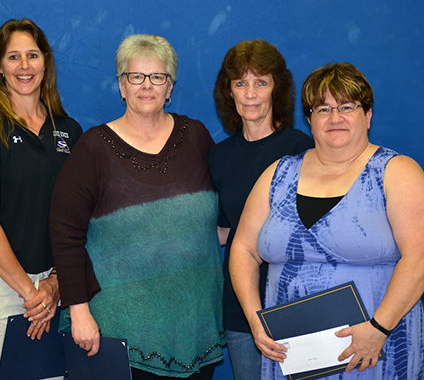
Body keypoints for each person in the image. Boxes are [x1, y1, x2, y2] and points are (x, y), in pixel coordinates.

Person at [230, 62, 424, 379]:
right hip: (291, 356)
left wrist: (378, 327)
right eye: (323, 109)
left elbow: (419, 257)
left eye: (346, 106)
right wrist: (256, 321)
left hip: (374, 352)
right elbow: (243, 250)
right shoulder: (277, 174)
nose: (335, 118)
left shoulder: (397, 173)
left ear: (368, 115)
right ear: (310, 120)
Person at [49, 34, 224, 379]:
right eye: (136, 76)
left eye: (158, 76)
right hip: (118, 332)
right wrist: (78, 310)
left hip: (194, 326)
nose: (147, 85)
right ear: (121, 86)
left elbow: (218, 209)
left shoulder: (197, 137)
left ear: (170, 87)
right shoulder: (93, 148)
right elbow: (64, 233)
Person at [0, 18, 82, 380]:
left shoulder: (68, 130)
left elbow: (75, 219)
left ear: (46, 62)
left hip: (50, 292)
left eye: (32, 55)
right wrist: (31, 294)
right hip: (0, 289)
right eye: (14, 57)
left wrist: (56, 282)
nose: (24, 66)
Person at [208, 39, 314, 380]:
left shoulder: (301, 149)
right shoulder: (219, 156)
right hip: (242, 308)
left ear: (276, 89)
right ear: (229, 92)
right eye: (240, 83)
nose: (250, 93)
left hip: (296, 302)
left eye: (261, 82)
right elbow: (226, 231)